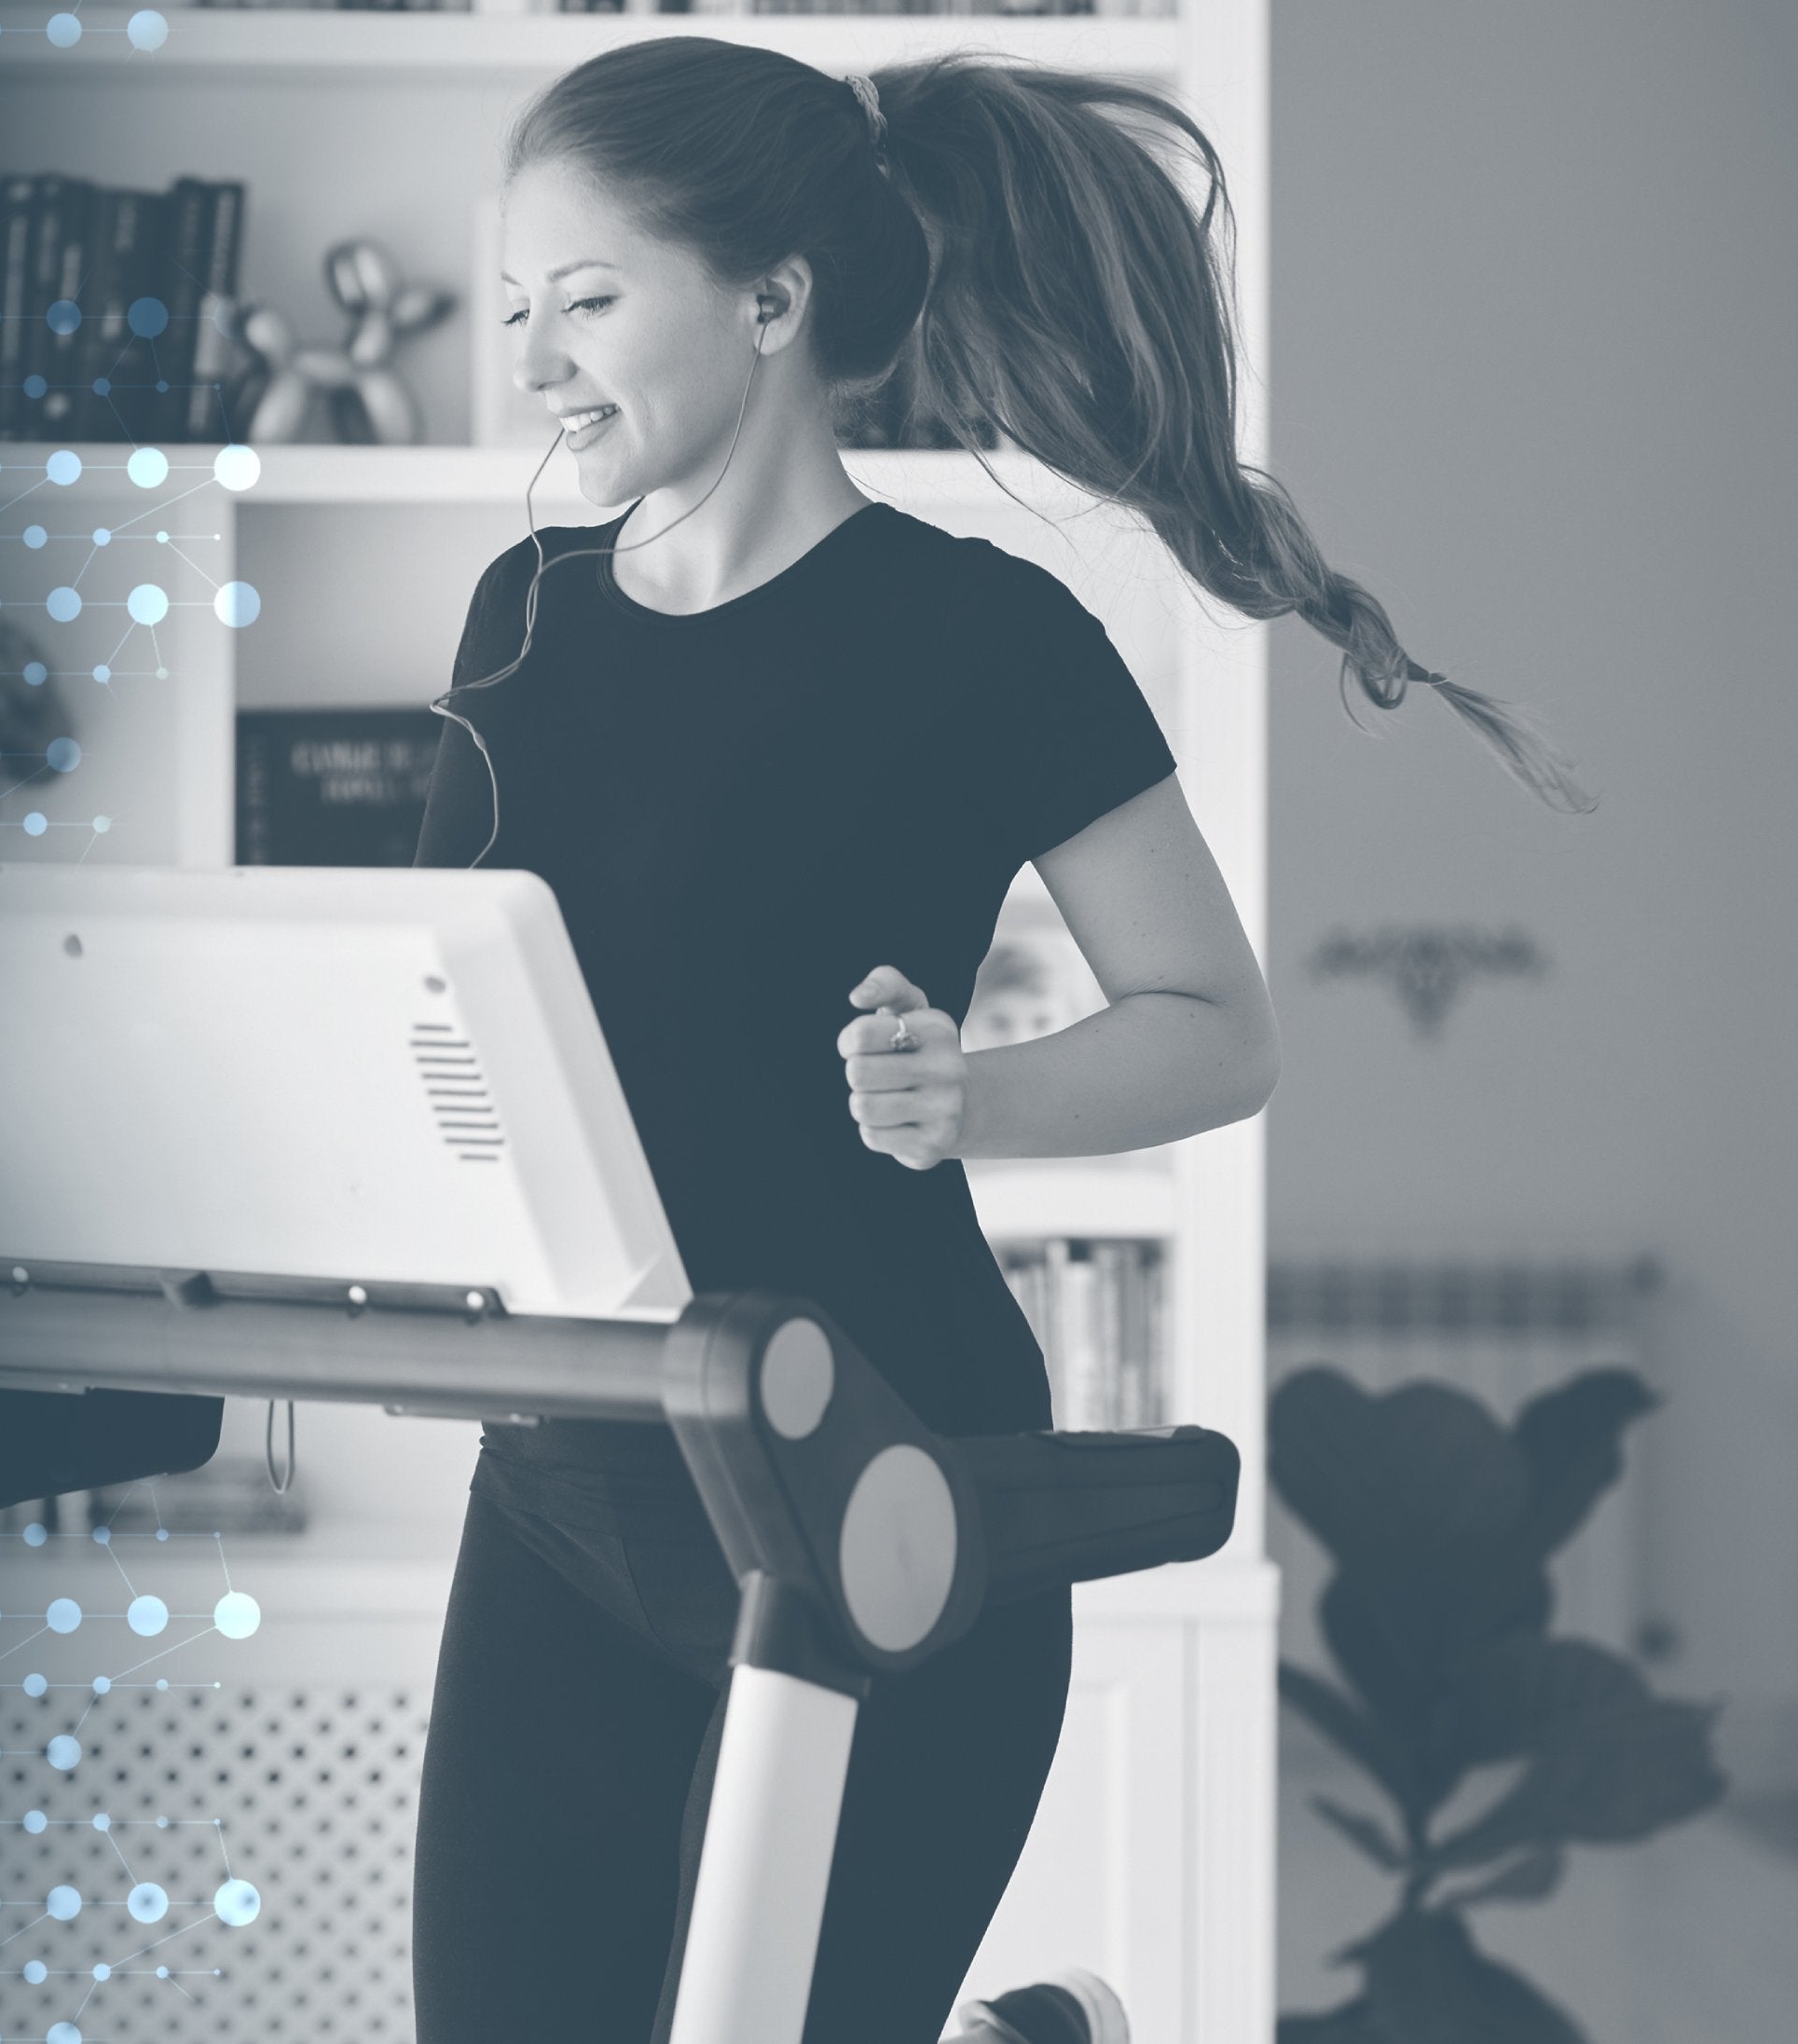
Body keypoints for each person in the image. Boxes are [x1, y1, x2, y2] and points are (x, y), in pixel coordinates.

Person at [407, 37, 1594, 2044]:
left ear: (773, 301)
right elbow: (446, 1008)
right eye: (519, 305)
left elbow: (1217, 1028)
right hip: (567, 1495)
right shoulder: (520, 611)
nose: (534, 360)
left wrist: (973, 1096)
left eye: (587, 299)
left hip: (878, 1485)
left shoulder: (982, 635)